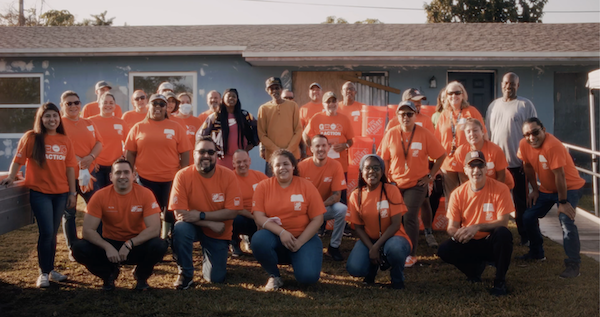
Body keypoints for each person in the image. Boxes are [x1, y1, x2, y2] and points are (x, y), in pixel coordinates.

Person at [1, 102, 77, 288]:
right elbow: (18, 160)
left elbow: (70, 169)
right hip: (40, 193)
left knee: (53, 234)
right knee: (46, 232)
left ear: (59, 118)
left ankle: (50, 270)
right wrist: (11, 177)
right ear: (41, 119)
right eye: (47, 116)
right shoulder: (32, 138)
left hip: (60, 193)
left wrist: (72, 192)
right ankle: (43, 273)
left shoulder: (64, 140)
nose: (52, 119)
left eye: (55, 116)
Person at [71, 159, 168, 291]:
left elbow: (154, 229)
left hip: (135, 244)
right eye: (118, 173)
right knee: (78, 248)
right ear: (111, 177)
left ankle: (141, 276)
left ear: (134, 176)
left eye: (126, 172)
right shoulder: (100, 196)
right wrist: (106, 247)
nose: (122, 176)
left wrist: (130, 244)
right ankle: (109, 275)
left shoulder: (145, 194)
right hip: (109, 245)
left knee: (160, 245)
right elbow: (88, 230)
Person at [378, 101, 446, 267]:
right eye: (402, 114)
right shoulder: (391, 133)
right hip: (394, 183)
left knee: (409, 216)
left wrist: (430, 176)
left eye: (410, 114)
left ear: (415, 115)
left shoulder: (424, 133)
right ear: (397, 116)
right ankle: (391, 248)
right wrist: (385, 181)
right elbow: (384, 158)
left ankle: (411, 253)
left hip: (417, 184)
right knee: (393, 216)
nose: (406, 117)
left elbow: (441, 155)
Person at [438, 150, 514, 296]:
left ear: (486, 169)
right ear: (465, 170)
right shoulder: (458, 194)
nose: (476, 170)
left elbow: (503, 222)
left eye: (480, 166)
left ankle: (500, 282)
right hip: (469, 241)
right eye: (472, 167)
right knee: (444, 249)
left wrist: (477, 226)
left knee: (503, 234)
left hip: (490, 240)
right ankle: (473, 271)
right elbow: (451, 227)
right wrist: (459, 234)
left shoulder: (500, 188)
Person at [169, 136, 242, 289]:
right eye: (202, 152)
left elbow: (233, 212)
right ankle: (186, 273)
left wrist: (201, 215)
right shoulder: (182, 175)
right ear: (194, 154)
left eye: (211, 152)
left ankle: (211, 258)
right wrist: (207, 221)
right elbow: (179, 214)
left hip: (218, 232)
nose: (206, 156)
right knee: (180, 228)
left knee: (215, 278)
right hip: (194, 225)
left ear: (217, 155)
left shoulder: (228, 175)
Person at [517, 118, 585, 278]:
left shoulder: (552, 145)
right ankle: (537, 253)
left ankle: (574, 265)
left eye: (535, 132)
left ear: (544, 130)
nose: (531, 137)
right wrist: (534, 189)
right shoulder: (523, 144)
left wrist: (562, 202)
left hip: (570, 188)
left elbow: (560, 175)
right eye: (527, 134)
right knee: (528, 217)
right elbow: (527, 166)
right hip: (547, 189)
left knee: (566, 220)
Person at [251, 149, 326, 290]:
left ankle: (299, 258)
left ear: (293, 166)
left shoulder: (306, 186)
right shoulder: (263, 186)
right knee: (259, 239)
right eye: (277, 165)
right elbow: (258, 216)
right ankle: (274, 276)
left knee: (308, 278)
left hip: (304, 238)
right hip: (275, 238)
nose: (282, 168)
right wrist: (282, 232)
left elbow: (318, 218)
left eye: (286, 164)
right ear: (272, 168)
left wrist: (300, 242)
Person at [125, 94, 192, 240]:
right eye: (154, 104)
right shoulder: (138, 127)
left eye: (162, 104)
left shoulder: (176, 127)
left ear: (166, 108)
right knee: (150, 213)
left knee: (171, 213)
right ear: (149, 106)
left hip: (171, 179)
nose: (158, 107)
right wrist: (130, 172)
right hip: (145, 179)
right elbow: (130, 152)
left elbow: (185, 152)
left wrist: (182, 173)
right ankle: (152, 242)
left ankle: (173, 242)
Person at [486, 72, 538, 246]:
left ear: (518, 85)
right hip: (496, 166)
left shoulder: (525, 105)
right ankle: (492, 233)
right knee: (493, 201)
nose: (509, 86)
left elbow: (533, 135)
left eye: (513, 83)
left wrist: (528, 159)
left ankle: (526, 235)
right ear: (501, 84)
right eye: (506, 83)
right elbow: (488, 134)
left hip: (518, 165)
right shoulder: (493, 106)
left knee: (521, 203)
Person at [345, 154, 411, 289]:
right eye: (368, 168)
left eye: (376, 168)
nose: (372, 172)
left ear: (382, 172)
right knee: (354, 268)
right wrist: (371, 247)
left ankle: (397, 280)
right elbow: (357, 228)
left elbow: (396, 224)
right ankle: (371, 270)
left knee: (395, 249)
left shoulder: (391, 190)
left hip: (394, 238)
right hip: (370, 240)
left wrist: (376, 247)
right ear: (361, 171)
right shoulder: (355, 195)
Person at [60, 90, 103, 257]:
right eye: (69, 103)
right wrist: (80, 160)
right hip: (68, 176)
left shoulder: (88, 123)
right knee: (69, 211)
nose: (73, 106)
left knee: (96, 207)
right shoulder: (59, 124)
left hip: (89, 174)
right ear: (62, 105)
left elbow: (99, 142)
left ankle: (97, 242)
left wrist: (90, 157)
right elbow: (61, 146)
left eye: (76, 102)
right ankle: (73, 248)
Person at [435, 81, 487, 203]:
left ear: (463, 94)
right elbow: (437, 140)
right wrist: (436, 164)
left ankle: (471, 221)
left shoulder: (471, 111)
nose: (454, 96)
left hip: (469, 161)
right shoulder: (443, 115)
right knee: (452, 198)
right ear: (446, 96)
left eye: (457, 92)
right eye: (450, 93)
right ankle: (454, 222)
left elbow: (484, 135)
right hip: (448, 164)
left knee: (471, 195)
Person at [298, 134, 347, 261]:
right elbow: (295, 193)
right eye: (317, 146)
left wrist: (317, 208)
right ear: (311, 149)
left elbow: (337, 196)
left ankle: (333, 247)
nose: (321, 149)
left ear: (328, 147)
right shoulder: (302, 166)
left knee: (341, 209)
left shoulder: (336, 165)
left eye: (324, 145)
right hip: (304, 210)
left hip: (323, 207)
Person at [198, 88, 259, 169]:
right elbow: (202, 135)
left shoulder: (245, 115)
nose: (231, 98)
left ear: (237, 99)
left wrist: (250, 146)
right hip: (221, 158)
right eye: (229, 96)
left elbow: (258, 130)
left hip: (241, 157)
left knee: (240, 180)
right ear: (223, 99)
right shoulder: (215, 117)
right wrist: (210, 150)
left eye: (234, 96)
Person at [257, 77, 303, 176]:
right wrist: (277, 150)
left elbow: (298, 130)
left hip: (292, 156)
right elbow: (262, 134)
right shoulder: (263, 109)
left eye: (277, 88)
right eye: (271, 88)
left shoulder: (293, 106)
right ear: (267, 91)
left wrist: (289, 150)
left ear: (281, 89)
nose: (274, 91)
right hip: (272, 157)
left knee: (294, 185)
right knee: (273, 187)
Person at [303, 91, 354, 175]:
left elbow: (350, 141)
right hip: (321, 165)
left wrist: (345, 145)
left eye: (334, 101)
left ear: (337, 103)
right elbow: (305, 135)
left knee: (340, 188)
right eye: (328, 102)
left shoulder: (345, 119)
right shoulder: (317, 117)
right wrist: (313, 149)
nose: (331, 104)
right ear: (323, 104)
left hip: (340, 165)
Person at [454, 118, 514, 189]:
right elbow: (463, 178)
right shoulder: (460, 152)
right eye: (468, 132)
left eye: (475, 130)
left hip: (501, 186)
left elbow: (501, 176)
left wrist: (493, 193)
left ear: (482, 131)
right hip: (477, 189)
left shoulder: (495, 150)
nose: (472, 134)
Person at [231, 149, 268, 256]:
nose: (242, 165)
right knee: (233, 219)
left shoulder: (259, 176)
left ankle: (253, 240)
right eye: (238, 162)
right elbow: (234, 208)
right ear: (233, 163)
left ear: (250, 161)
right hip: (243, 216)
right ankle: (234, 243)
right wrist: (256, 217)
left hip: (260, 216)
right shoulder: (230, 179)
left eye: (245, 161)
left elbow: (272, 194)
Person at [90, 92, 130, 189]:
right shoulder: (90, 122)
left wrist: (124, 156)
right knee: (98, 197)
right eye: (105, 102)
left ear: (115, 105)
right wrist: (92, 161)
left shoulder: (121, 123)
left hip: (115, 167)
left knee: (114, 196)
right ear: (99, 104)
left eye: (111, 103)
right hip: (96, 167)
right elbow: (84, 143)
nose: (108, 105)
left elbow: (129, 144)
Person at [175, 92, 203, 166]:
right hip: (176, 161)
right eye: (182, 102)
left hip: (194, 161)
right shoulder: (173, 120)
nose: (185, 104)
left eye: (188, 102)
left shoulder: (197, 121)